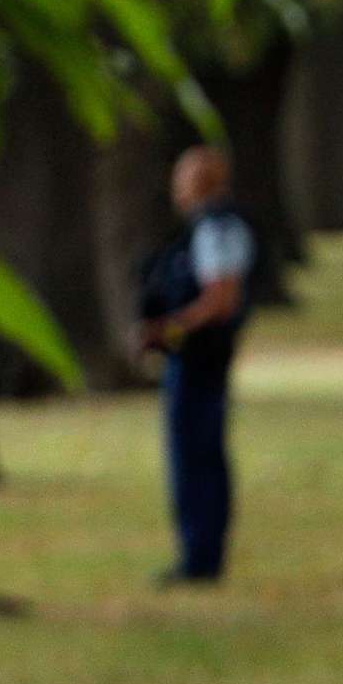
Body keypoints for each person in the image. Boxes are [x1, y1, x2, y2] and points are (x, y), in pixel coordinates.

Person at [133, 147, 255, 586]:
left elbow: (221, 299)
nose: (177, 188)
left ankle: (200, 559)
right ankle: (199, 553)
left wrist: (170, 329)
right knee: (199, 454)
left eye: (183, 178)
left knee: (195, 456)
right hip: (199, 358)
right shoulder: (207, 229)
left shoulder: (216, 230)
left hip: (200, 359)